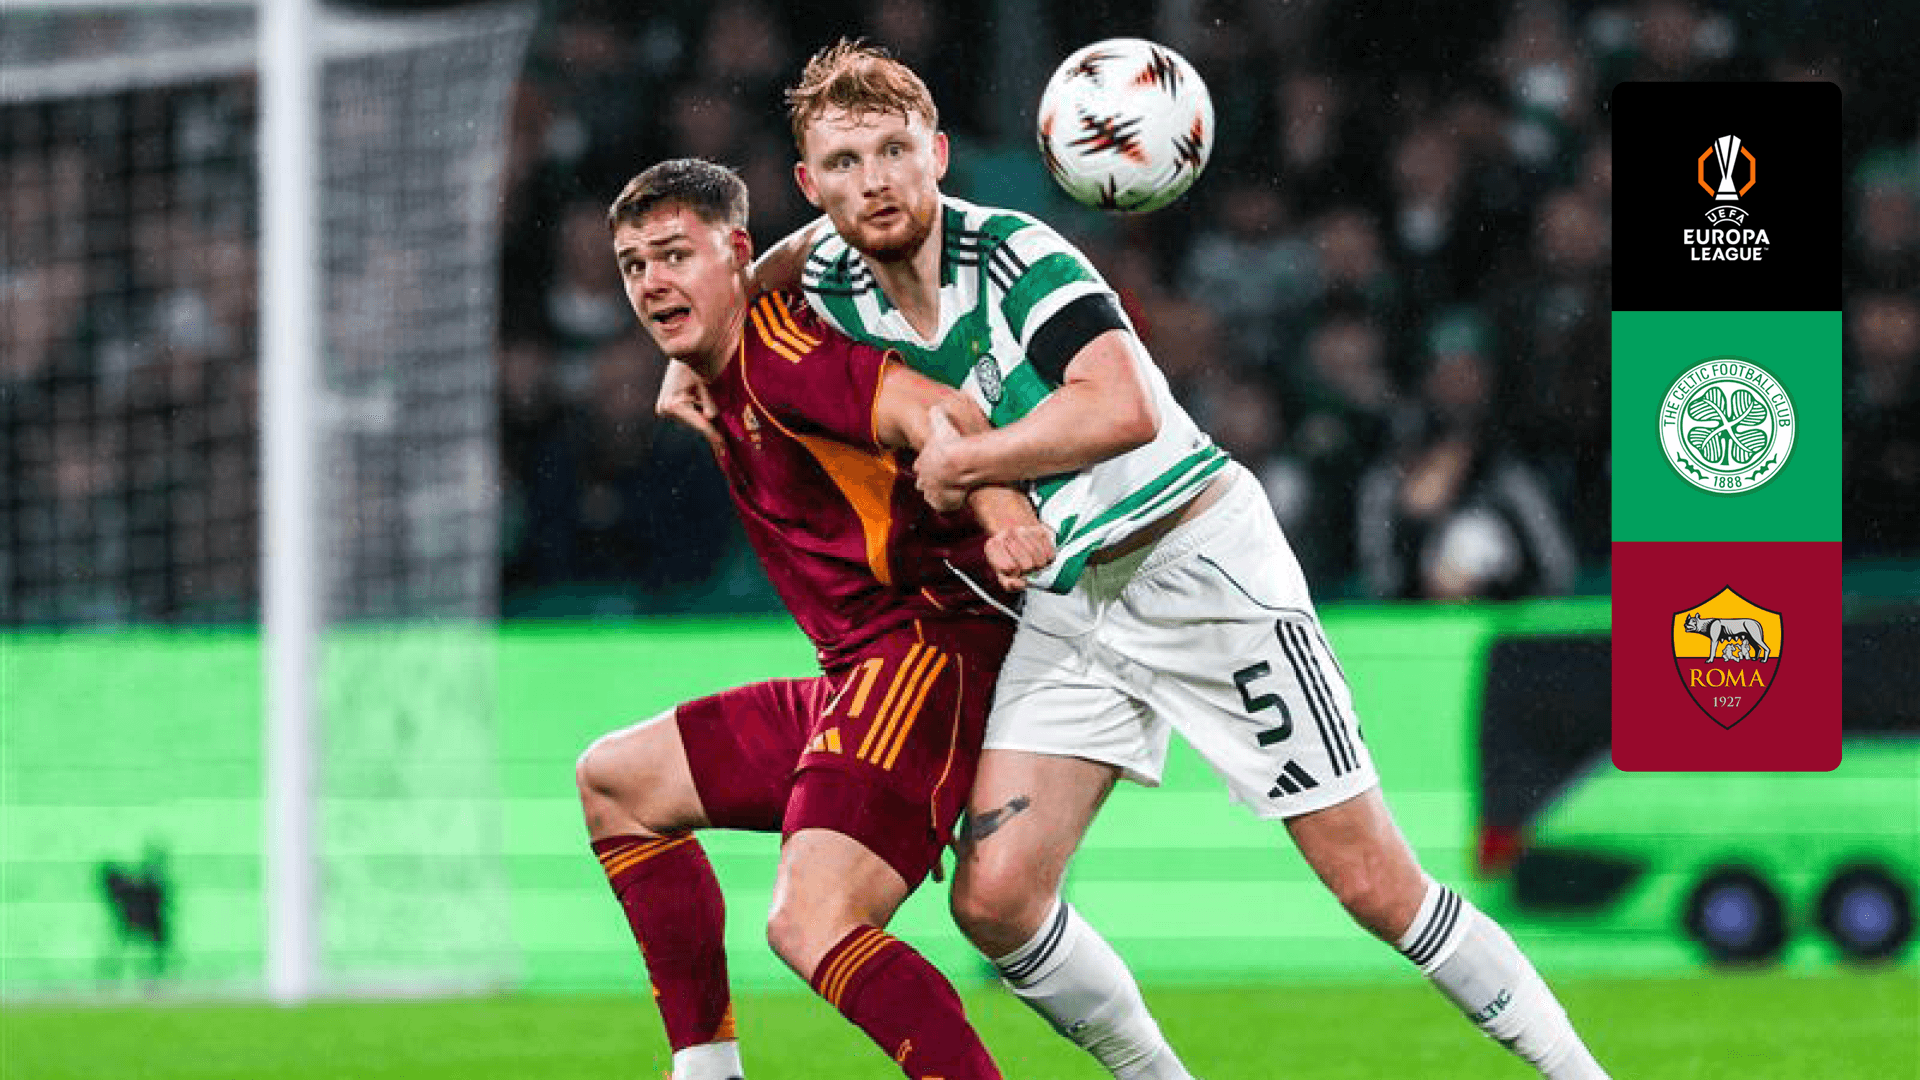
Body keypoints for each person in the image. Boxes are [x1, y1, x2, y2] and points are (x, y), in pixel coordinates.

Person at [661, 40, 1611, 1080]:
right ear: (811, 184)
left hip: (1201, 570)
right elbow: (773, 268)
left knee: (1376, 887)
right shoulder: (828, 273)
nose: (874, 180)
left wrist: (974, 460)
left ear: (940, 154)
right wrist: (696, 353)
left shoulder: (1016, 256)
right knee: (995, 900)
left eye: (895, 150)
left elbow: (1122, 408)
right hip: (1075, 604)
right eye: (845, 163)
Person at [579, 157, 1054, 1080]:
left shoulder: (780, 355)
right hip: (860, 672)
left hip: (927, 650)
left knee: (814, 920)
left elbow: (943, 411)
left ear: (737, 254)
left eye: (675, 255)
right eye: (634, 265)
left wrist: (1004, 520)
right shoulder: (718, 365)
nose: (652, 283)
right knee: (618, 783)